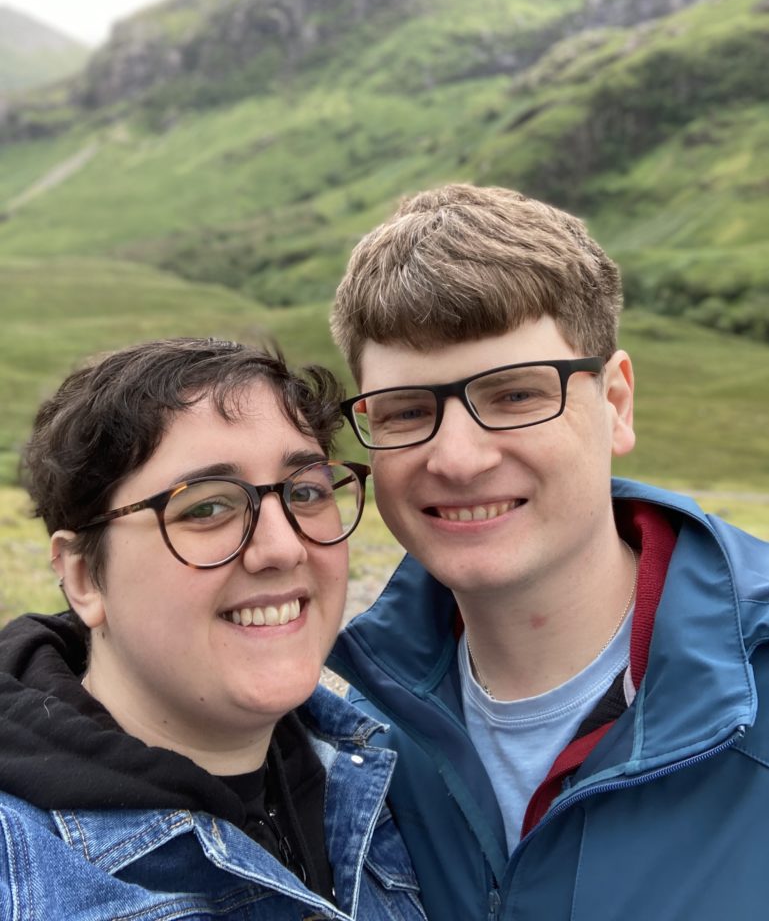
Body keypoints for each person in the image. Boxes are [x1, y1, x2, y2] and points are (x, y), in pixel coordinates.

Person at [327, 183, 769, 921]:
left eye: (514, 396)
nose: (458, 459)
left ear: (616, 403)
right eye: (407, 410)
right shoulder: (359, 727)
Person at [0, 337, 426, 921]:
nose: (282, 547)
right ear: (83, 578)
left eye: (305, 492)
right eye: (205, 507)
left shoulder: (393, 774)